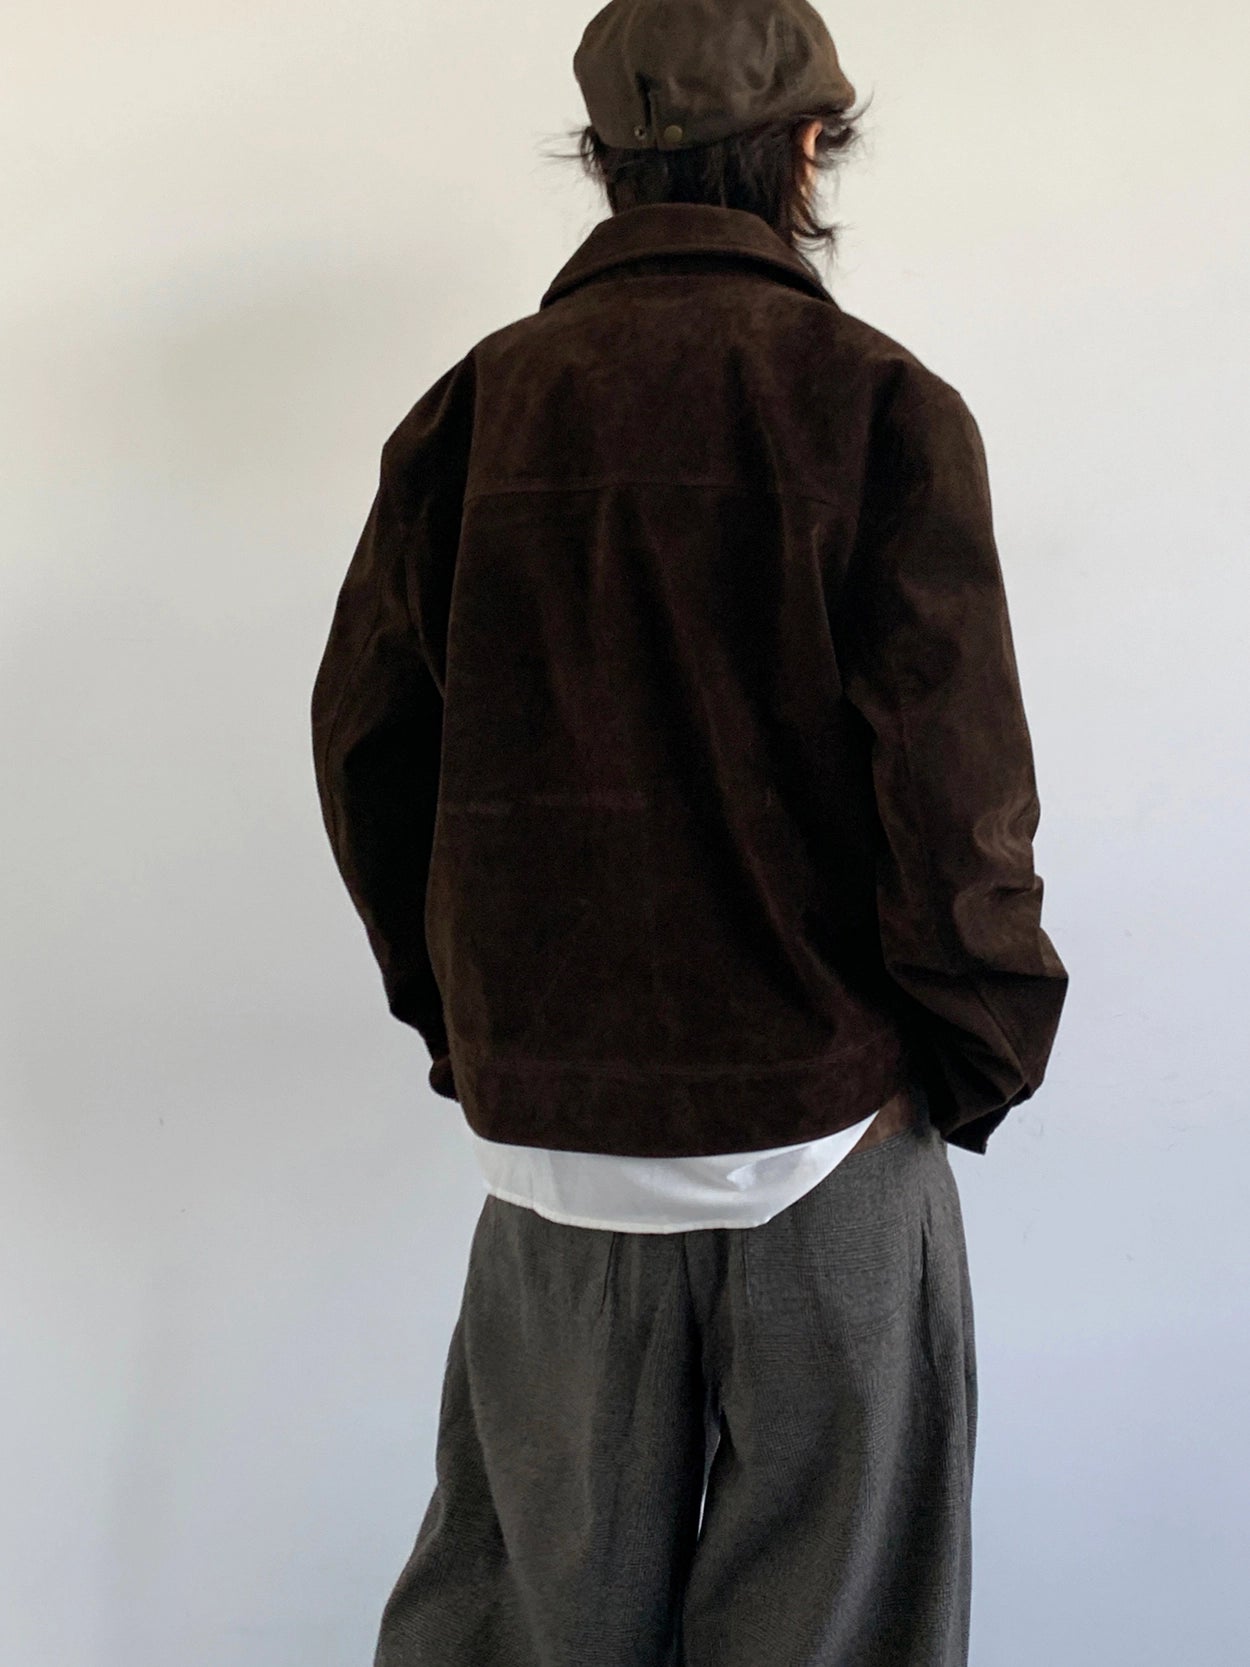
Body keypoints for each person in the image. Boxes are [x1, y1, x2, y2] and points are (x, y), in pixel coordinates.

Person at [309, 1, 1069, 1661]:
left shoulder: (471, 412)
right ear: (805, 145)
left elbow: (366, 754)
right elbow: (953, 795)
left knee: (527, 1622)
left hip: (556, 1157)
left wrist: (480, 1034)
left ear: (602, 156)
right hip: (830, 1130)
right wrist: (972, 1053)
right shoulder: (876, 404)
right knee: (836, 1628)